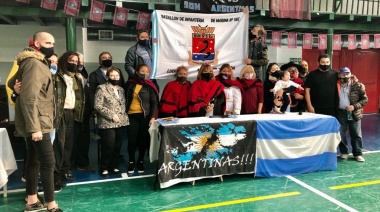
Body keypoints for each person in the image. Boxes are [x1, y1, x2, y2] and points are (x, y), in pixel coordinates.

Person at [9, 32, 62, 212]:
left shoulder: (29, 61)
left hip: (37, 120)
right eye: (48, 42)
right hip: (39, 122)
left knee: (33, 161)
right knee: (48, 162)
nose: (52, 46)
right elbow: (30, 98)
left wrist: (16, 88)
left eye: (53, 43)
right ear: (37, 43)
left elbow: (10, 82)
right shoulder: (34, 63)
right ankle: (51, 205)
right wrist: (35, 128)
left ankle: (32, 200)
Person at [53, 51, 85, 185]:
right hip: (60, 113)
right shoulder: (56, 75)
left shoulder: (77, 77)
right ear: (64, 60)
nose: (74, 64)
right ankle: (56, 175)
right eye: (71, 61)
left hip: (71, 113)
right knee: (58, 145)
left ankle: (65, 170)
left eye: (76, 62)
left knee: (68, 144)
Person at [124, 64, 158, 174]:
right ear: (137, 71)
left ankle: (141, 161)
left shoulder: (150, 85)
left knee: (143, 140)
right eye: (142, 71)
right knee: (132, 141)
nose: (144, 73)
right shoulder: (129, 84)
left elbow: (154, 103)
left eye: (147, 71)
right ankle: (131, 161)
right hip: (130, 116)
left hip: (145, 117)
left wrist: (152, 117)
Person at [95, 68, 129, 177]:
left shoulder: (121, 90)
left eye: (117, 75)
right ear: (108, 77)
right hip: (107, 122)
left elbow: (122, 105)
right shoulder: (101, 88)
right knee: (108, 145)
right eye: (112, 75)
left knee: (117, 145)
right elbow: (98, 105)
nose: (115, 77)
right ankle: (104, 167)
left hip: (121, 121)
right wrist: (111, 115)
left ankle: (114, 165)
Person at [336, 67, 368, 162]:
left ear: (350, 74)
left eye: (347, 74)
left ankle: (358, 153)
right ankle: (344, 152)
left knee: (356, 133)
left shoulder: (358, 85)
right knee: (341, 133)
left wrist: (354, 107)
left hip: (354, 113)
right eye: (343, 74)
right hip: (341, 112)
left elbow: (365, 99)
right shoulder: (335, 85)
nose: (345, 76)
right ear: (339, 75)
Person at [71, 52, 95, 172]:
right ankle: (69, 166)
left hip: (85, 115)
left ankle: (82, 163)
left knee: (84, 140)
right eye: (76, 61)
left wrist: (92, 108)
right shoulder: (68, 76)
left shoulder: (85, 75)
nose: (80, 63)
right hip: (73, 114)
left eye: (81, 61)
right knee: (72, 140)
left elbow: (88, 93)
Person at [89, 52, 125, 116]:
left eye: (109, 58)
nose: (107, 59)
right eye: (104, 58)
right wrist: (93, 108)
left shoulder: (118, 71)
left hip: (118, 107)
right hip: (102, 107)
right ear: (100, 61)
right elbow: (92, 92)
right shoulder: (94, 74)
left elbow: (122, 86)